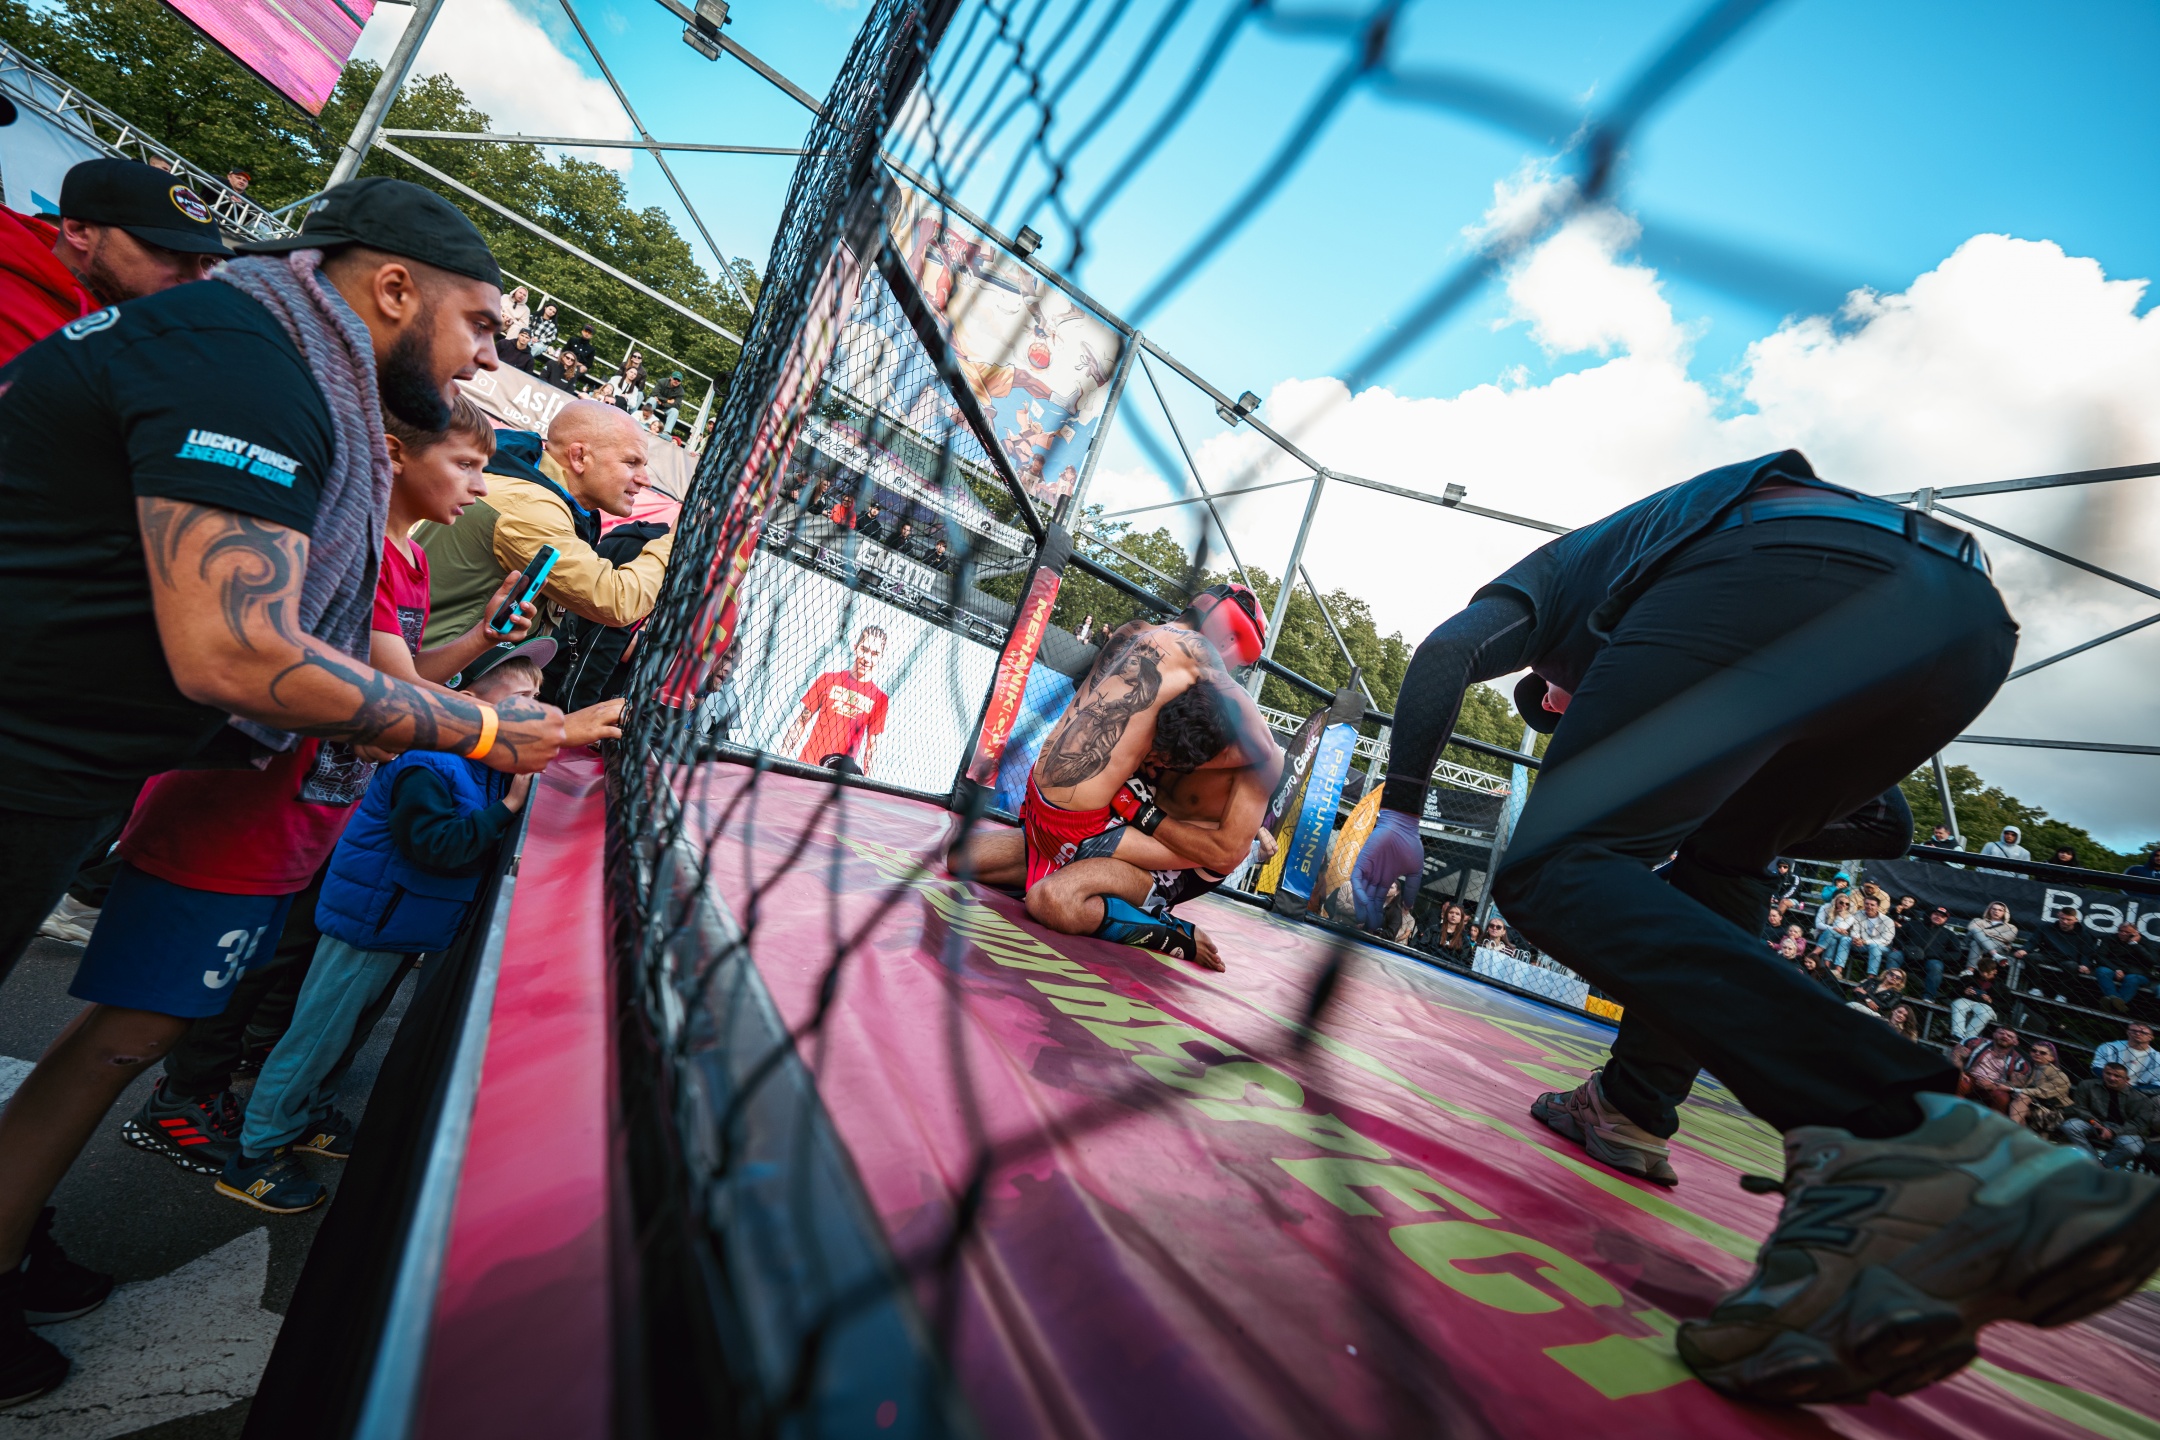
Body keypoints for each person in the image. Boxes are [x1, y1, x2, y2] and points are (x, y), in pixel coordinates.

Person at [1347, 449, 2160, 1403]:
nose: (1574, 721)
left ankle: (1898, 1126)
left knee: (1552, 863)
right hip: (1960, 621)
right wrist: (1728, 818)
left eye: (1565, 707)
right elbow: (1888, 824)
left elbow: (1447, 651)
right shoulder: (1697, 643)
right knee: (1730, 857)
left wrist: (1403, 808)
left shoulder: (1561, 584)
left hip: (1788, 569)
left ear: (1556, 680)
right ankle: (1636, 1111)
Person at [0, 177, 571, 1402]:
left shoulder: (260, 352)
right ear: (395, 288)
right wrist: (484, 728)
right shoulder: (251, 368)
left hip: (51, 753)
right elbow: (237, 654)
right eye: (481, 324)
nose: (488, 359)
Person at [119, 395, 545, 1177]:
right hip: (269, 796)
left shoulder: (412, 560)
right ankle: (182, 1100)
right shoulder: (367, 550)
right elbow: (396, 700)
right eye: (467, 465)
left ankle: (204, 1093)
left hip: (323, 797)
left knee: (260, 961)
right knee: (192, 984)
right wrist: (506, 730)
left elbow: (406, 680)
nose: (482, 487)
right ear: (396, 455)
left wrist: (481, 639)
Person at [223, 641, 617, 1211]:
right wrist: (508, 807)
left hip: (400, 926)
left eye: (539, 695)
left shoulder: (486, 762)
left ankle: (307, 1115)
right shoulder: (429, 762)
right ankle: (256, 1152)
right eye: (522, 696)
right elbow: (436, 847)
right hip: (369, 927)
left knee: (347, 1035)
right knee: (315, 1039)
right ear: (467, 702)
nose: (536, 706)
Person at [947, 587, 1280, 971]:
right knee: (960, 857)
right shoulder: (1185, 663)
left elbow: (1263, 763)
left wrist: (1145, 807)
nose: (1229, 675)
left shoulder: (1135, 633)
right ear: (1227, 643)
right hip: (1060, 819)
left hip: (1121, 837)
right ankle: (1081, 878)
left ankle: (1171, 932)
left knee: (1050, 901)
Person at [415, 401, 674, 646]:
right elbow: (617, 601)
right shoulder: (529, 506)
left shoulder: (537, 493)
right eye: (631, 463)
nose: (645, 480)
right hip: (422, 670)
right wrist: (678, 539)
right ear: (579, 457)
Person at [0, 157, 230, 367]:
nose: (196, 278)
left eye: (208, 262)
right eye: (169, 250)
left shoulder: (151, 328)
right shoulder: (11, 314)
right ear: (80, 231)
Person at [780, 627, 891, 775]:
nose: (867, 658)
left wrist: (868, 781)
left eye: (875, 654)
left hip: (839, 777)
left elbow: (871, 747)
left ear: (881, 657)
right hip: (807, 766)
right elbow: (801, 722)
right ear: (855, 648)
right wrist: (781, 757)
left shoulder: (880, 699)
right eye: (864, 649)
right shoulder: (828, 679)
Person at [2061, 1064, 2154, 1170]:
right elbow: (2079, 1108)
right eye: (2108, 1074)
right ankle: (2093, 1163)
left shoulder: (2140, 1098)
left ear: (2127, 1079)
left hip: (2123, 1130)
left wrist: (2113, 1131)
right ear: (2103, 1073)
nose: (2111, 1078)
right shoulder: (2088, 1085)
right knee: (2070, 1125)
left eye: (2117, 1076)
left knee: (2133, 1147)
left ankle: (2104, 1167)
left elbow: (2139, 1125)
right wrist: (2093, 1122)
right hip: (2094, 1123)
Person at [1951, 1026, 2030, 1113]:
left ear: (2016, 1042)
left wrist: (1995, 1085)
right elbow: (1956, 1055)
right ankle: (1954, 1112)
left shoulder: (2019, 1061)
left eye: (2009, 1036)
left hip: (1995, 1086)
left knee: (2002, 1098)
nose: (2005, 1036)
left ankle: (1991, 1120)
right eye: (2001, 1033)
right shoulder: (1976, 1042)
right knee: (1960, 1082)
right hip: (1970, 1077)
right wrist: (1960, 1072)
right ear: (1994, 1034)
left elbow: (2018, 1083)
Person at [2030, 907, 2094, 999]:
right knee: (2031, 957)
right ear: (2058, 916)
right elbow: (2033, 941)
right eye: (2062, 918)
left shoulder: (2084, 934)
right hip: (2048, 955)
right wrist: (2024, 950)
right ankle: (2036, 989)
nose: (2065, 921)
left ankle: (2063, 996)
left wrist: (2085, 965)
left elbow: (2087, 952)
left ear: (2076, 920)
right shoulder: (2047, 927)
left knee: (2072, 966)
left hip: (2069, 960)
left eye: (2069, 919)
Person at [2011, 1040, 2072, 1132]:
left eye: (2042, 1053)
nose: (2037, 1053)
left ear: (2051, 1058)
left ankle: (2011, 1129)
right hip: (2031, 1105)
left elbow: (2041, 1092)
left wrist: (2012, 1088)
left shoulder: (2059, 1075)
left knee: (2022, 1098)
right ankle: (2018, 1133)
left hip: (2051, 1112)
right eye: (2034, 1050)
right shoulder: (2034, 1069)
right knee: (2018, 1102)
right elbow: (2023, 1084)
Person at [1908, 904, 1965, 999]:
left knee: (1936, 966)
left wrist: (1937, 955)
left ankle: (1928, 997)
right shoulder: (1915, 924)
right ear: (1930, 914)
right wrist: (1903, 947)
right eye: (1936, 914)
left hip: (1932, 960)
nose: (1938, 917)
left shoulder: (1949, 934)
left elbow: (1956, 954)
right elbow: (1898, 935)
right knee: (1895, 955)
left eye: (1942, 916)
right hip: (1908, 954)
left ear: (1946, 920)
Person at [2095, 921, 2152, 1014]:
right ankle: (2116, 1001)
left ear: (2135, 933)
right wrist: (2116, 969)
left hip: (2136, 973)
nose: (2123, 933)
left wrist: (2134, 944)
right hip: (2114, 968)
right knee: (2102, 971)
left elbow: (2152, 960)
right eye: (2120, 931)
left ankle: (2113, 1004)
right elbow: (2100, 956)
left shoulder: (2145, 942)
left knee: (2132, 979)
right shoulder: (2110, 939)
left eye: (2127, 932)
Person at [2092, 1023, 2160, 1094]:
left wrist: (2134, 1089)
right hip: (2107, 1084)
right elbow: (2096, 1067)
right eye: (2134, 1031)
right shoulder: (2109, 1047)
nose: (2138, 1034)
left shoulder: (2157, 1058)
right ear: (2128, 1032)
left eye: (2143, 1032)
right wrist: (2115, 1081)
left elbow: (2158, 1083)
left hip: (2137, 1091)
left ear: (2151, 1037)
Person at [1813, 891, 1859, 973]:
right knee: (1832, 938)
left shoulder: (1850, 916)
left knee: (1831, 933)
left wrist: (1841, 915)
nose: (1844, 905)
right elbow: (1818, 925)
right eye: (1841, 902)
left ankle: (1814, 954)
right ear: (1835, 902)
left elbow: (1842, 928)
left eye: (1847, 904)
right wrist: (1833, 928)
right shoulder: (1825, 907)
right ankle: (1827, 968)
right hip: (1822, 934)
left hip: (1841, 936)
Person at [1965, 900, 2019, 969]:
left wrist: (1981, 933)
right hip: (1992, 944)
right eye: (1994, 909)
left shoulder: (2011, 927)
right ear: (1989, 910)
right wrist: (1996, 934)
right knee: (1975, 932)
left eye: (2000, 910)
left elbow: (2007, 938)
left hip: (1998, 946)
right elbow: (1971, 928)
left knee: (1976, 942)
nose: (1996, 911)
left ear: (2005, 913)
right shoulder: (1977, 920)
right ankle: (1995, 955)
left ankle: (1969, 971)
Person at [1853, 896, 1896, 976]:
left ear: (1878, 907)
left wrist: (1866, 941)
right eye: (1867, 904)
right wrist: (1856, 938)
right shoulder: (1858, 914)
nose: (1869, 906)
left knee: (1874, 946)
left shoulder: (1888, 921)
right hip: (1861, 944)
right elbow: (1855, 929)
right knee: (1845, 940)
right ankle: (1838, 970)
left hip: (1882, 947)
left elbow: (1885, 940)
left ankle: (1871, 977)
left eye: (1872, 905)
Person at [1425, 900, 1474, 966]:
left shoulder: (1464, 939)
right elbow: (1422, 946)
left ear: (1461, 918)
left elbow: (1464, 961)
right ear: (1447, 914)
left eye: (1457, 914)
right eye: (1451, 912)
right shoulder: (1433, 930)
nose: (1453, 915)